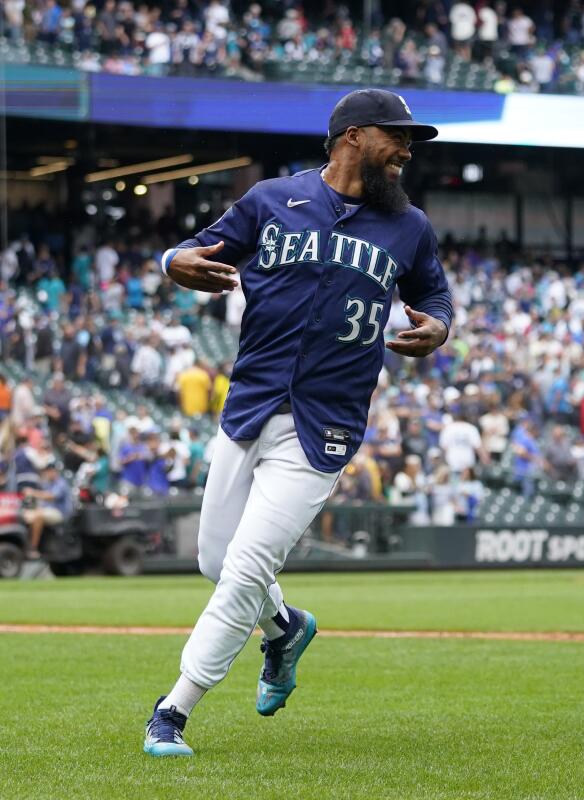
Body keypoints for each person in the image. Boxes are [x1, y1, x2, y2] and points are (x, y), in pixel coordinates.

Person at [143, 89, 453, 757]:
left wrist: (438, 326)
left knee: (247, 565)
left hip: (327, 422)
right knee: (214, 559)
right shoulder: (271, 200)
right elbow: (190, 251)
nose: (406, 150)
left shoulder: (410, 225)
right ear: (352, 137)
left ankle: (173, 710)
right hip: (252, 402)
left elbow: (430, 292)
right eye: (395, 137)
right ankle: (284, 629)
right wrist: (174, 263)